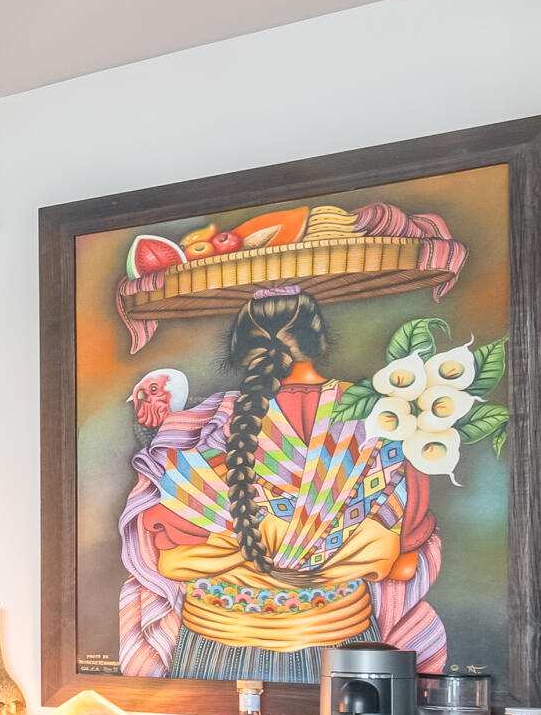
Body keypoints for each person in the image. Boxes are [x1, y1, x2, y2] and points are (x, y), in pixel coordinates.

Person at [116, 288, 446, 682]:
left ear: (243, 347)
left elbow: (162, 536)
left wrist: (246, 546)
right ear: (317, 340)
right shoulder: (383, 418)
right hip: (341, 652)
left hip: (215, 651)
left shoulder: (205, 424)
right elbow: (406, 556)